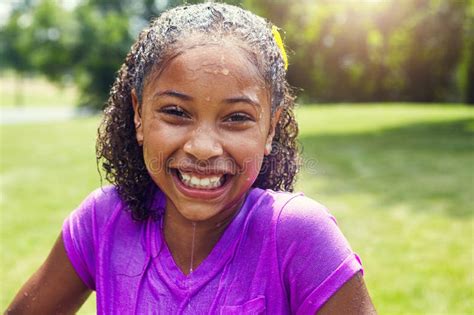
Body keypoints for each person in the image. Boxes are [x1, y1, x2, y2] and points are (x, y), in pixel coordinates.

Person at [6, 3, 375, 314]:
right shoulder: (104, 222)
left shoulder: (297, 235)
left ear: (270, 130)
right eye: (176, 112)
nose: (203, 147)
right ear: (139, 115)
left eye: (236, 118)